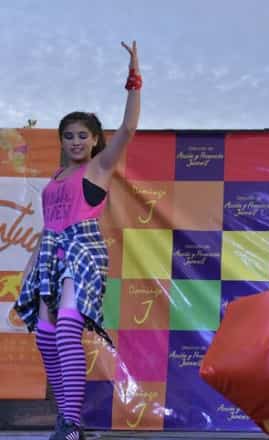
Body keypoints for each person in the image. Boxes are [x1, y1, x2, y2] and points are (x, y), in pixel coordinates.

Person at [14, 41, 142, 440]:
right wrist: (30, 269)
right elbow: (48, 226)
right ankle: (66, 418)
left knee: (68, 326)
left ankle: (71, 424)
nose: (75, 141)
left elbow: (129, 129)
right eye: (69, 136)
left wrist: (134, 79)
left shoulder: (99, 166)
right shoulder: (56, 177)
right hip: (50, 254)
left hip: (82, 251)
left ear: (94, 139)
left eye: (83, 135)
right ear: (62, 141)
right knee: (45, 334)